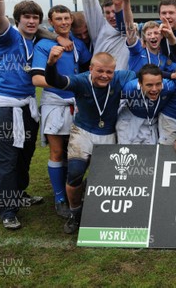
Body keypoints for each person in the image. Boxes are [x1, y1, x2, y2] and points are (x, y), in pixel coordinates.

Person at [0, 0, 71, 230]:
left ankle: (20, 194)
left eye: (36, 17)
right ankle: (7, 209)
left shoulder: (36, 39)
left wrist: (57, 37)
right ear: (18, 20)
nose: (32, 21)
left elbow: (45, 30)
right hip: (4, 107)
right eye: (27, 17)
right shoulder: (8, 35)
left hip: (26, 106)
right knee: (7, 160)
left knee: (25, 155)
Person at [45, 50, 136, 234]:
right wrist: (51, 64)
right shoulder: (81, 80)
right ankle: (75, 213)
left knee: (108, 178)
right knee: (75, 173)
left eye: (109, 72)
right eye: (100, 71)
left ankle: (101, 211)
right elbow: (57, 81)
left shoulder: (122, 78)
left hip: (108, 133)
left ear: (115, 71)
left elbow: (143, 77)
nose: (104, 76)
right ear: (90, 69)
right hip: (83, 132)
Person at [31, 5, 92, 218]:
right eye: (59, 19)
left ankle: (74, 190)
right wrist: (65, 84)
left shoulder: (77, 44)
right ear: (51, 21)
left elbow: (87, 70)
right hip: (55, 102)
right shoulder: (44, 45)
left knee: (76, 151)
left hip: (77, 103)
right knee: (57, 152)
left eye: (67, 18)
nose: (64, 22)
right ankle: (59, 198)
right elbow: (37, 78)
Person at [117, 64, 175, 144]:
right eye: (149, 85)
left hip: (152, 124)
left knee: (150, 155)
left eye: (158, 84)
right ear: (140, 83)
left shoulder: (169, 87)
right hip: (130, 122)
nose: (154, 89)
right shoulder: (129, 89)